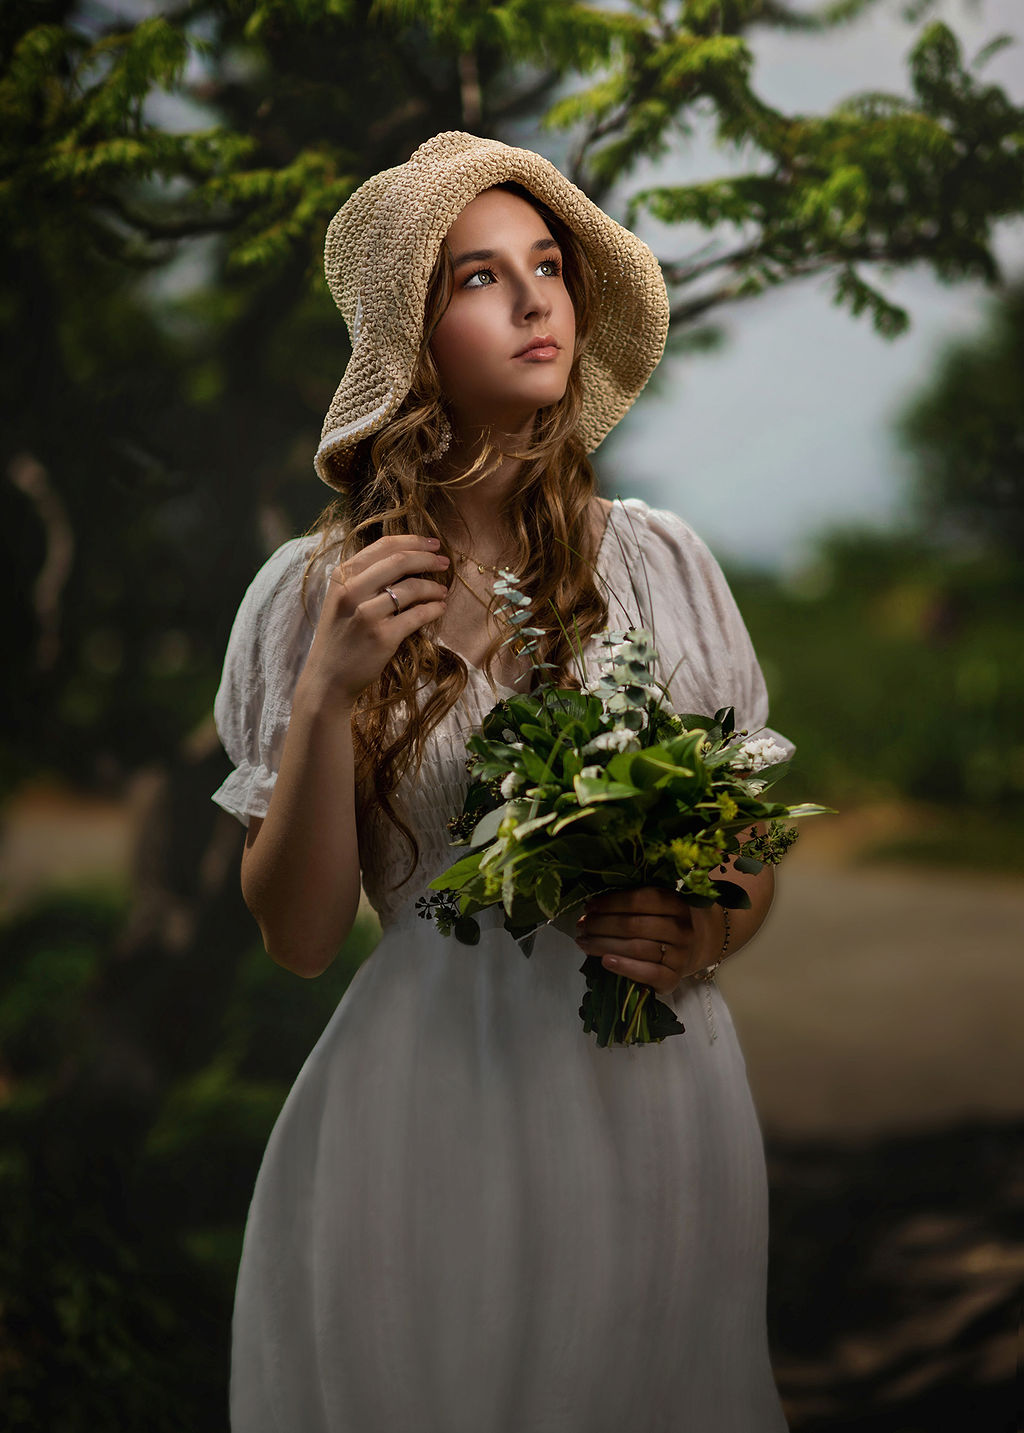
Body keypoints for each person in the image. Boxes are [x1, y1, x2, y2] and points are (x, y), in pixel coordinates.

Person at [213, 130, 792, 1433]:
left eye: (549, 265)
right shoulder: (312, 596)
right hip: (428, 1104)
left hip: (654, 1086)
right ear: (411, 339)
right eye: (480, 277)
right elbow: (301, 937)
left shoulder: (657, 563)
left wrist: (708, 922)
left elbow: (741, 843)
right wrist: (329, 690)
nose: (538, 300)